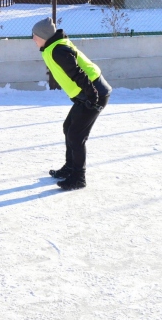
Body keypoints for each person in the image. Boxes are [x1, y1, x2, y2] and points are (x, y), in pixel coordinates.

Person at [32, 17, 111, 191]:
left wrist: (92, 95)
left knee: (76, 135)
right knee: (69, 127)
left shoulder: (58, 50)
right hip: (88, 93)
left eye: (34, 35)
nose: (33, 39)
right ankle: (70, 168)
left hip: (94, 93)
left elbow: (78, 73)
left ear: (43, 36)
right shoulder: (53, 47)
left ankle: (78, 177)